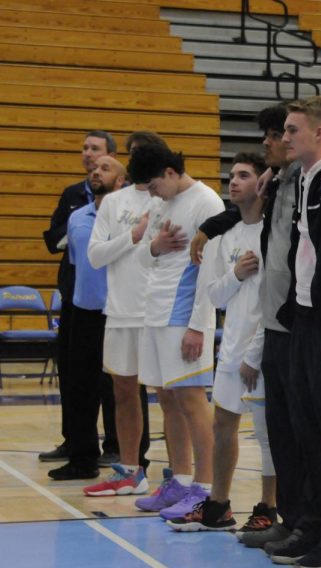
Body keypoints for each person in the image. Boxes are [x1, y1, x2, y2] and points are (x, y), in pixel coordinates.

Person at [167, 152, 276, 532]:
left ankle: (268, 507)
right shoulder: (224, 235)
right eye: (231, 175)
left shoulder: (274, 233)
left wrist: (255, 355)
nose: (233, 181)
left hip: (261, 354)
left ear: (261, 183)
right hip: (231, 349)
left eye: (244, 175)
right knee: (223, 428)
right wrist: (236, 273)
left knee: (267, 436)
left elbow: (274, 303)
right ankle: (219, 506)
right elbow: (215, 296)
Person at [267, 97, 321, 568]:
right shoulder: (300, 179)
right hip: (300, 315)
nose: (285, 137)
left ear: (320, 134)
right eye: (284, 129)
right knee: (305, 430)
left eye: (294, 129)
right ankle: (313, 523)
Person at [128, 143, 225, 519]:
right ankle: (180, 479)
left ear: (170, 172)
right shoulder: (159, 204)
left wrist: (199, 327)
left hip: (183, 315)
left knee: (191, 400)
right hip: (153, 311)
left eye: (153, 185)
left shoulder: (206, 202)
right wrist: (155, 245)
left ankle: (204, 487)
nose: (151, 193)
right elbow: (140, 256)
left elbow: (210, 270)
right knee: (166, 399)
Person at [82, 131, 164, 497]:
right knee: (124, 393)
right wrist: (133, 235)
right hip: (120, 312)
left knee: (173, 397)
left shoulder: (171, 200)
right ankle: (131, 470)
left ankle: (184, 475)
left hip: (160, 314)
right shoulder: (114, 203)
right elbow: (95, 256)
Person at [40, 130, 119, 466]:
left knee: (112, 376)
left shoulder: (122, 201)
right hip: (75, 294)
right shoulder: (73, 196)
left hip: (112, 300)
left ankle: (116, 444)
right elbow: (53, 237)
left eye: (96, 150)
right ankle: (74, 440)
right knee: (73, 372)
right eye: (86, 150)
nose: (89, 156)